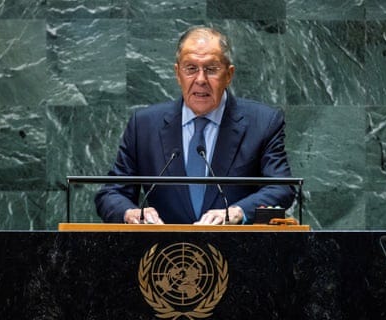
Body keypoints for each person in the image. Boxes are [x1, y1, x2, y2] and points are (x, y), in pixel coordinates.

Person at [95, 26, 294, 225]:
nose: (200, 79)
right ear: (177, 73)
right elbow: (111, 193)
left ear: (229, 74)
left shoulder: (263, 122)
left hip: (238, 250)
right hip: (164, 252)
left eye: (211, 69)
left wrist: (238, 212)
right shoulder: (144, 125)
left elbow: (281, 188)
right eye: (191, 69)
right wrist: (130, 213)